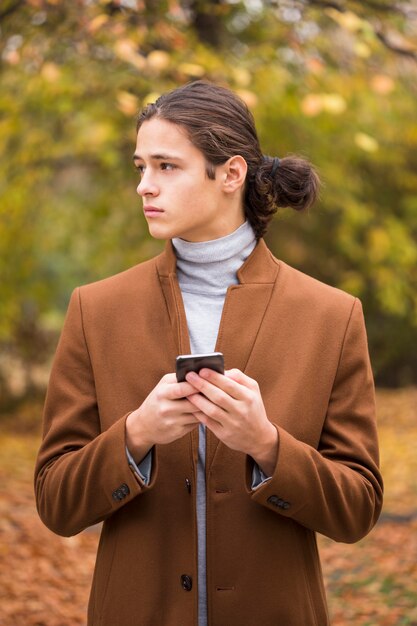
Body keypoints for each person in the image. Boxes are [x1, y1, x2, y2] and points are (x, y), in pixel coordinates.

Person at [35, 80, 383, 626]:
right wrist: (136, 434)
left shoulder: (331, 316)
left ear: (231, 173)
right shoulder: (95, 310)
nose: (144, 187)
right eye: (140, 167)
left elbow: (358, 509)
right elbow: (56, 502)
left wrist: (267, 446)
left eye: (166, 166)